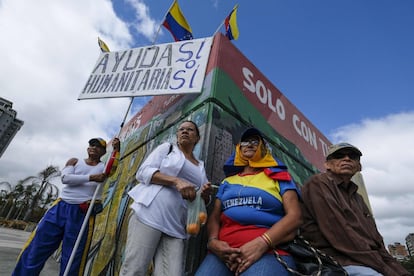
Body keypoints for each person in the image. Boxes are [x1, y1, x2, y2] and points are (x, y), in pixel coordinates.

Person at [196, 127, 302, 276]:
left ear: (264, 149)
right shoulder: (227, 182)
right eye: (245, 142)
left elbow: (295, 217)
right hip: (223, 253)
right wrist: (213, 242)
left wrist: (262, 242)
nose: (250, 145)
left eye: (255, 142)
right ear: (239, 149)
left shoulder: (280, 177)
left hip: (269, 250)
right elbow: (214, 216)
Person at [12, 137, 120, 276]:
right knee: (37, 247)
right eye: (91, 145)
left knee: (73, 256)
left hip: (82, 213)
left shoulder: (103, 168)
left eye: (98, 146)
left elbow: (112, 169)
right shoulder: (74, 161)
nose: (93, 147)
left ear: (104, 151)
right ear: (87, 148)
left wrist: (117, 149)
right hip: (60, 207)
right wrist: (91, 178)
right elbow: (66, 179)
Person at [300, 142, 410, 276]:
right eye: (339, 156)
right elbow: (340, 235)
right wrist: (385, 269)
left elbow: (377, 241)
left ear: (359, 166)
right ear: (327, 164)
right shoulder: (318, 183)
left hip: (368, 262)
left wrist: (400, 272)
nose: (346, 159)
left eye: (352, 156)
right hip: (337, 262)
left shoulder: (358, 197)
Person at [120, 120, 212, 276]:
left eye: (190, 129)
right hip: (149, 215)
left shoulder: (200, 167)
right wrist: (176, 181)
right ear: (177, 135)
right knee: (135, 269)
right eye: (181, 129)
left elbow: (202, 199)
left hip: (177, 226)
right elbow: (143, 172)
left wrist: (205, 196)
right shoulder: (167, 149)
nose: (184, 131)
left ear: (197, 138)